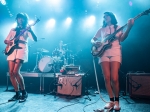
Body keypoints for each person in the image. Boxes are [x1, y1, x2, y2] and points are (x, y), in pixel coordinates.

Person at [91, 12, 134, 110]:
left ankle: (117, 101)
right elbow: (92, 39)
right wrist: (95, 42)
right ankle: (111, 101)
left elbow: (122, 39)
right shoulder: (101, 29)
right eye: (104, 16)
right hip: (103, 53)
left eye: (107, 15)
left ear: (111, 17)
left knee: (114, 78)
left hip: (115, 52)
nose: (105, 17)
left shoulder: (118, 27)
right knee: (106, 78)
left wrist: (129, 27)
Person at [4, 13, 37, 103]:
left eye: (22, 18)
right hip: (12, 50)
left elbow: (35, 39)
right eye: (19, 18)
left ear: (25, 20)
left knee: (16, 72)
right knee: (11, 73)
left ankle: (24, 92)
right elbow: (6, 40)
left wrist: (31, 31)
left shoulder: (27, 29)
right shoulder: (13, 29)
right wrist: (8, 42)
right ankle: (17, 93)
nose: (20, 20)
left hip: (22, 49)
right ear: (17, 19)